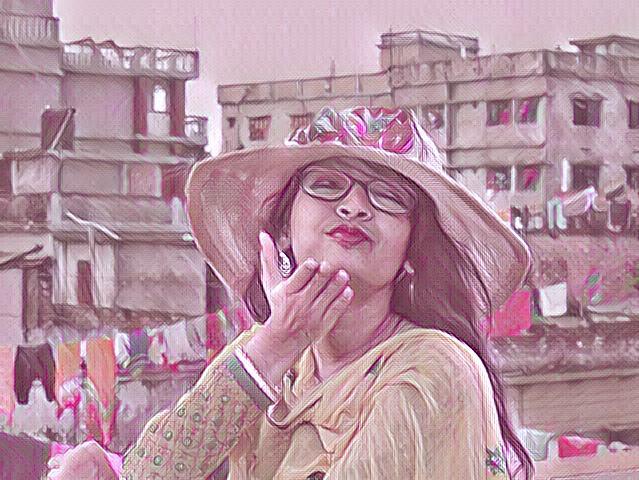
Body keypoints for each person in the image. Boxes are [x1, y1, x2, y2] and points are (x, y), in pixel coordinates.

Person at [47, 107, 534, 479]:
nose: (354, 207)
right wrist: (275, 345)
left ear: (412, 250)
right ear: (283, 230)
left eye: (388, 196)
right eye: (327, 184)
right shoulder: (265, 354)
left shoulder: (435, 367)